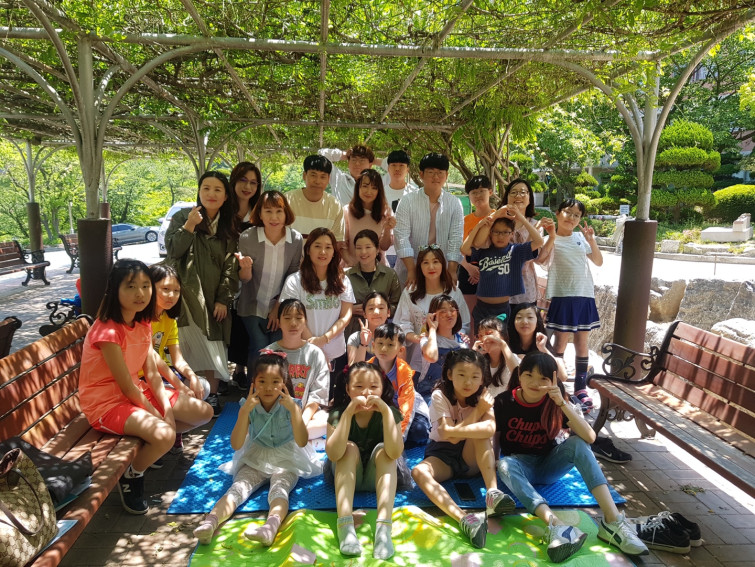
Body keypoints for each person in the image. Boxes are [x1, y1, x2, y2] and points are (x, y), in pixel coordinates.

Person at [79, 259, 213, 515]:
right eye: (130, 286)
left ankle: (150, 442)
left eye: (145, 286)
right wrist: (159, 418)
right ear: (115, 290)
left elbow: (151, 373)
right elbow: (126, 386)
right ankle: (132, 474)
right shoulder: (107, 331)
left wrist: (167, 411)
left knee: (204, 412)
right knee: (164, 435)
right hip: (106, 404)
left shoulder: (142, 323)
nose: (140, 293)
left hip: (135, 393)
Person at [494, 352, 648, 561]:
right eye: (529, 375)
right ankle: (557, 526)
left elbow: (590, 437)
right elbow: (495, 437)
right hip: (519, 465)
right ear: (519, 374)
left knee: (578, 444)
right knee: (504, 464)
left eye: (543, 378)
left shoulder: (555, 401)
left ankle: (612, 521)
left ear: (553, 380)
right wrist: (493, 464)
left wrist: (561, 402)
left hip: (548, 466)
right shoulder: (504, 401)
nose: (535, 383)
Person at [192, 352, 321, 546]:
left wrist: (295, 412)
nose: (268, 388)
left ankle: (270, 528)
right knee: (238, 488)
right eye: (262, 381)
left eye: (275, 382)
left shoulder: (292, 405)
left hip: (287, 458)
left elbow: (302, 441)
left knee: (280, 489)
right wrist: (244, 412)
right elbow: (236, 444)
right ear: (253, 382)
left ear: (284, 383)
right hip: (256, 456)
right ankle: (210, 523)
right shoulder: (248, 406)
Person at [411, 349, 515, 549]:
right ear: (450, 375)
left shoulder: (484, 395)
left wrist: (454, 430)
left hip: (472, 455)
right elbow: (449, 438)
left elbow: (489, 429)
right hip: (442, 454)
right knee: (418, 472)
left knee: (481, 435)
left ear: (482, 379)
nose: (468, 382)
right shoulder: (440, 394)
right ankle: (464, 519)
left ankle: (492, 493)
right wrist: (477, 412)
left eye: (475, 377)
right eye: (462, 375)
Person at [508, 303, 632, 464]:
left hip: (547, 400)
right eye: (519, 317)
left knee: (568, 418)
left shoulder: (542, 345)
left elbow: (563, 376)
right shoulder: (507, 347)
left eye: (530, 317)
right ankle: (595, 445)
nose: (524, 321)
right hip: (521, 401)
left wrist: (543, 349)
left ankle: (597, 445)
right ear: (513, 321)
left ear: (537, 321)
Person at [165, 171, 240, 416]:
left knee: (213, 344)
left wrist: (223, 299)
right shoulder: (183, 217)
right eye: (206, 188)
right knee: (186, 345)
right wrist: (189, 226)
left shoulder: (228, 226)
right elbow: (173, 250)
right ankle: (191, 395)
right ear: (198, 191)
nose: (211, 194)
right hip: (185, 295)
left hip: (213, 295)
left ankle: (213, 395)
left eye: (217, 189)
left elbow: (230, 266)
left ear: (226, 196)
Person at [325, 362, 405, 559]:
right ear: (347, 389)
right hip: (344, 474)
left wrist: (385, 412)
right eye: (359, 386)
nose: (366, 392)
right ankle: (345, 525)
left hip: (375, 477)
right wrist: (348, 413)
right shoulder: (338, 414)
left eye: (373, 386)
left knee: (384, 451)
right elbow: (333, 455)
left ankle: (383, 529)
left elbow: (395, 453)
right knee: (349, 448)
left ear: (383, 388)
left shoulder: (390, 413)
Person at [279, 228, 355, 395]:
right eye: (317, 246)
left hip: (335, 353)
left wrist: (325, 339)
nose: (323, 252)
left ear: (334, 252)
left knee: (329, 401)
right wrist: (315, 346)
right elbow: (292, 316)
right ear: (308, 250)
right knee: (301, 399)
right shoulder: (295, 281)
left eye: (328, 247)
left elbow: (346, 315)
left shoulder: (342, 280)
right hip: (302, 353)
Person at [544, 199, 603, 412]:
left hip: (584, 295)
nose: (572, 218)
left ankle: (580, 389)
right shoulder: (550, 238)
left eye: (576, 215)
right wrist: (550, 236)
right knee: (560, 342)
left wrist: (591, 240)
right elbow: (541, 260)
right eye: (568, 212)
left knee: (582, 342)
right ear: (558, 213)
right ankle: (557, 386)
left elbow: (598, 261)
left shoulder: (580, 238)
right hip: (562, 295)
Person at [147, 263, 211, 453]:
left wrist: (192, 377)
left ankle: (169, 433)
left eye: (176, 291)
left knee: (202, 386)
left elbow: (178, 359)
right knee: (194, 401)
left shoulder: (168, 319)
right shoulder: (141, 320)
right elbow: (151, 359)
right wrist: (179, 386)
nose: (172, 295)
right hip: (147, 378)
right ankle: (157, 438)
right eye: (165, 289)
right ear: (150, 288)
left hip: (164, 374)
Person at [237, 190, 302, 372]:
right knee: (260, 348)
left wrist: (278, 308)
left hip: (280, 306)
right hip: (252, 305)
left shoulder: (295, 239)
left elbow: (292, 276)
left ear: (286, 213)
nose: (274, 217)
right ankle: (252, 388)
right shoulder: (247, 238)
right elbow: (244, 279)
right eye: (268, 211)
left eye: (279, 211)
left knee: (276, 351)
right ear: (259, 213)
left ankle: (273, 388)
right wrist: (245, 268)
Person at [460, 205, 545, 333]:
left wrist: (521, 218)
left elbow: (539, 241)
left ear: (512, 234)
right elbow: (464, 249)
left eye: (505, 232)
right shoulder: (483, 251)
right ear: (490, 233)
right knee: (481, 339)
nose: (500, 236)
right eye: (496, 232)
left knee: (501, 340)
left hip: (502, 308)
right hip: (482, 307)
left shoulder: (516, 251)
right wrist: (480, 225)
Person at [394, 153, 464, 288]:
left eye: (440, 173)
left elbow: (456, 239)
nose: (436, 177)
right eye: (431, 172)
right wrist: (412, 270)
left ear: (446, 175)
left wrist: (452, 270)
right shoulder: (407, 201)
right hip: (410, 269)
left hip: (442, 271)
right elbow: (401, 237)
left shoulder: (454, 203)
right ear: (421, 174)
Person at [264, 299, 330, 439]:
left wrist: (301, 422)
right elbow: (262, 392)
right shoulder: (269, 353)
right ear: (279, 322)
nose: (293, 323)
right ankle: (302, 439)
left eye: (299, 318)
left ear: (305, 322)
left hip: (306, 415)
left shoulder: (315, 354)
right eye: (287, 318)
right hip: (275, 415)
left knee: (328, 420)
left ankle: (290, 437)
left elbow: (318, 394)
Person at [226, 162, 264, 387]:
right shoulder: (224, 210)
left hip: (252, 274)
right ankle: (227, 369)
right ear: (233, 181)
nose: (248, 187)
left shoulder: (259, 213)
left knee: (245, 321)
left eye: (253, 182)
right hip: (225, 273)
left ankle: (242, 369)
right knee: (229, 322)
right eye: (243, 180)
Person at [394, 245, 470, 356]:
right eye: (425, 263)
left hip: (450, 352)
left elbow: (464, 323)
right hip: (418, 352)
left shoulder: (453, 291)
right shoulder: (410, 292)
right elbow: (401, 323)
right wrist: (417, 338)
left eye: (435, 262)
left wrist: (459, 335)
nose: (431, 267)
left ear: (442, 264)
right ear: (419, 266)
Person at [369, 322, 429, 447]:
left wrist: (398, 439)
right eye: (380, 343)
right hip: (380, 410)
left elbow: (406, 407)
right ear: (373, 346)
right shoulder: (366, 369)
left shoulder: (404, 371)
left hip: (406, 410)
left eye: (390, 345)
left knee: (419, 432)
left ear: (400, 349)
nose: (384, 349)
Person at [502, 178, 554, 306]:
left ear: (529, 198)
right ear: (507, 197)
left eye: (523, 192)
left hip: (526, 288)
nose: (518, 195)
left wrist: (552, 237)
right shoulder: (499, 223)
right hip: (502, 286)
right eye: (513, 192)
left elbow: (538, 259)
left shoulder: (535, 224)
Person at [344, 229, 401, 338]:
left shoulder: (390, 275)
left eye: (368, 247)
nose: (363, 252)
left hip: (381, 334)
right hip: (352, 333)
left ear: (377, 249)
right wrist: (351, 309)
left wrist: (379, 309)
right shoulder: (347, 276)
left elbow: (397, 305)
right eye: (359, 248)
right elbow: (336, 306)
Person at [415, 295, 469, 403]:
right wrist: (432, 329)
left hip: (456, 392)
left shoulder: (462, 341)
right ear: (433, 316)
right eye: (443, 311)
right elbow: (431, 357)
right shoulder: (426, 340)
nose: (449, 314)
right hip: (429, 393)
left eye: (452, 310)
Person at [458, 176, 495, 336]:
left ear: (490, 192)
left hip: (493, 271)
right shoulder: (465, 220)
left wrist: (483, 272)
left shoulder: (498, 217)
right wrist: (469, 268)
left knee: (492, 319)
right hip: (468, 272)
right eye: (473, 192)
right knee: (472, 318)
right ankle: (474, 348)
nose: (478, 196)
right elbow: (459, 249)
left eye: (481, 191)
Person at [342, 170, 395, 268]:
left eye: (374, 188)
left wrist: (387, 229)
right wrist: (351, 264)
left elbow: (384, 247)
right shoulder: (347, 211)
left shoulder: (386, 212)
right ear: (358, 187)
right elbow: (342, 244)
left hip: (378, 269)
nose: (369, 191)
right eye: (365, 186)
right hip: (351, 268)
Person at [287, 155, 345, 241]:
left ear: (328, 179)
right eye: (313, 175)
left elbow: (337, 241)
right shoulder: (287, 201)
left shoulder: (335, 206)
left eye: (323, 177)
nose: (317, 181)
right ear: (304, 175)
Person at [473, 316, 518, 398]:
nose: (485, 338)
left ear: (503, 335)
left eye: (489, 334)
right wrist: (473, 353)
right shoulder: (480, 360)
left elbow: (518, 375)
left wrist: (502, 344)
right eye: (480, 336)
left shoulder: (512, 358)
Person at [347, 291, 390, 365]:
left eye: (381, 308)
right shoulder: (355, 338)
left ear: (388, 312)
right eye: (371, 308)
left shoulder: (396, 337)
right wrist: (363, 344)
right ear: (364, 314)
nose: (376, 312)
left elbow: (400, 368)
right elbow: (353, 368)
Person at [381, 150, 418, 214]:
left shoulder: (415, 193)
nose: (397, 169)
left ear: (407, 169)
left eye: (401, 165)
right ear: (388, 169)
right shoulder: (380, 193)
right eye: (393, 165)